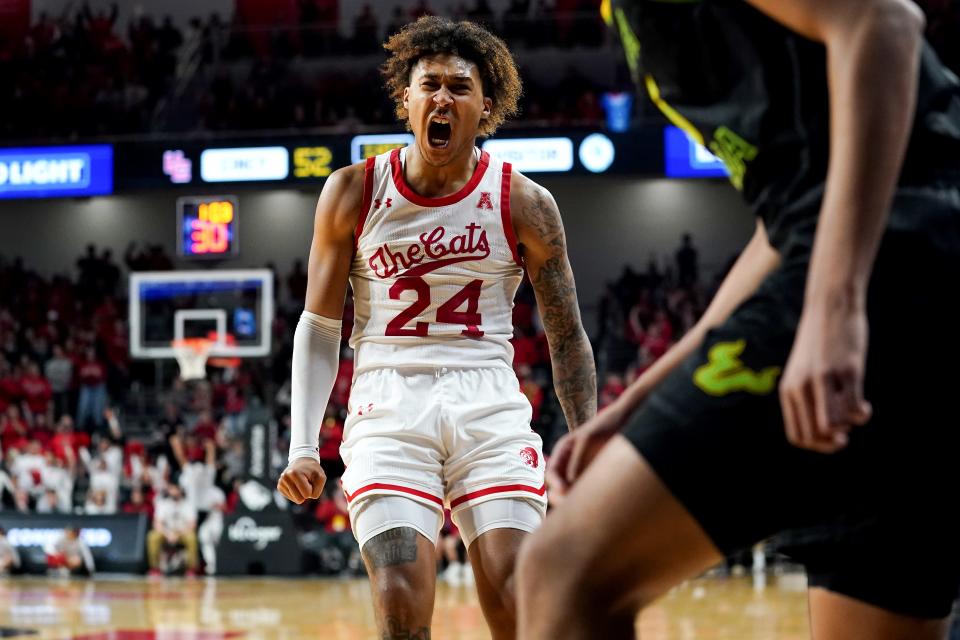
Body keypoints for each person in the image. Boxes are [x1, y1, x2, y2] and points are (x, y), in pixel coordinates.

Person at [516, 0, 960, 638]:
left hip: (905, 254)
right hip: (903, 267)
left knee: (563, 572)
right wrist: (639, 400)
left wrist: (835, 307)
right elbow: (784, 224)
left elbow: (880, 21)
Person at [277, 16, 596, 639]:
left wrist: (587, 441)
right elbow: (318, 326)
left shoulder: (524, 202)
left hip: (489, 403)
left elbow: (566, 335)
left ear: (487, 106)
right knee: (400, 607)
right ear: (406, 99)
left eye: (459, 86)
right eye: (429, 85)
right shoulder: (353, 192)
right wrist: (303, 445)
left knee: (516, 599)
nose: (442, 98)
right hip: (388, 402)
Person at [147, 485, 200, 577]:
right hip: (166, 532)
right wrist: (168, 534)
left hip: (183, 532)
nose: (173, 491)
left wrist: (178, 534)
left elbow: (192, 525)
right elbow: (157, 523)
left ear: (180, 489)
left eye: (176, 488)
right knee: (152, 537)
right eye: (171, 488)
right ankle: (155, 568)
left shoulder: (188, 504)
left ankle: (191, 569)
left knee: (192, 537)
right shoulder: (163, 503)